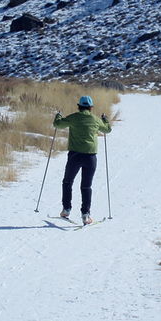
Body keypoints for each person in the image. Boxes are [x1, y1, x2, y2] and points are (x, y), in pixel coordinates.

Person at [53, 95, 111, 225]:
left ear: (79, 106)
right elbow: (107, 129)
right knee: (86, 186)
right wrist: (105, 119)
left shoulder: (73, 117)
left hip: (75, 155)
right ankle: (86, 215)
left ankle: (66, 210)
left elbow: (57, 124)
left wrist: (58, 115)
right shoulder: (95, 120)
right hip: (90, 157)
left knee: (67, 182)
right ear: (91, 107)